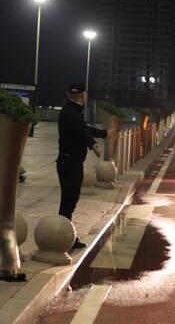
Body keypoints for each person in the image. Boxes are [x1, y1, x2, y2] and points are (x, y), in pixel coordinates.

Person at [57, 83, 114, 249]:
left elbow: (83, 128)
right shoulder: (71, 112)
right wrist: (93, 145)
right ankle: (63, 237)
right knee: (68, 201)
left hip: (69, 162)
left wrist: (103, 134)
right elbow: (81, 130)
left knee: (70, 200)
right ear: (83, 96)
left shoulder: (71, 111)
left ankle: (65, 235)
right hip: (69, 163)